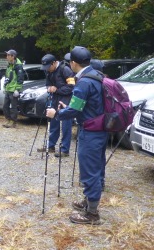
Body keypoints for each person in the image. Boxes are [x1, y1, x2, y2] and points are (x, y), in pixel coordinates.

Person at [46, 46, 107, 225]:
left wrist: (56, 114)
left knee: (89, 171)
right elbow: (87, 106)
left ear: (73, 63)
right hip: (100, 129)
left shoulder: (84, 82)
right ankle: (88, 202)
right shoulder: (98, 76)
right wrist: (69, 110)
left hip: (90, 132)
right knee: (95, 167)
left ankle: (92, 214)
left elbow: (75, 109)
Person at [36, 54, 75, 157]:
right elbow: (48, 84)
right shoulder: (48, 71)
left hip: (66, 99)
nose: (47, 69)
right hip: (55, 98)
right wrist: (49, 88)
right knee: (53, 121)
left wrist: (57, 89)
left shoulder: (65, 70)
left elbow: (72, 86)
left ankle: (65, 149)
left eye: (48, 66)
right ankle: (51, 145)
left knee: (66, 124)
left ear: (54, 63)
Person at [2, 49, 24, 128]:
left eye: (8, 55)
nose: (6, 57)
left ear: (13, 56)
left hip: (14, 90)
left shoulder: (18, 66)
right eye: (7, 55)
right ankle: (8, 120)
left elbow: (20, 78)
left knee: (13, 107)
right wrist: (5, 86)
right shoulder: (9, 65)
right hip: (8, 89)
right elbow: (7, 77)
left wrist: (17, 89)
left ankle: (13, 122)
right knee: (5, 106)